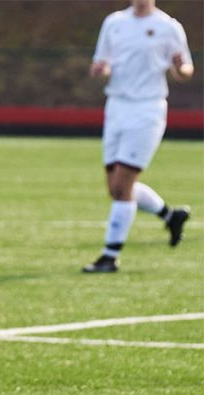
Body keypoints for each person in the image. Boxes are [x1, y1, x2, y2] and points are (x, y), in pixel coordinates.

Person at [82, 0, 194, 273]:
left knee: (123, 185)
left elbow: (186, 69)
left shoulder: (168, 26)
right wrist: (100, 70)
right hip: (116, 107)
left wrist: (179, 68)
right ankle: (171, 216)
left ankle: (110, 256)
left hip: (147, 109)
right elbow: (103, 63)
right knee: (115, 188)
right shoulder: (114, 22)